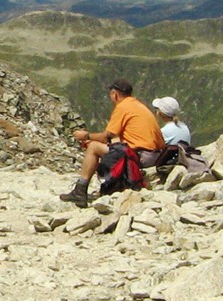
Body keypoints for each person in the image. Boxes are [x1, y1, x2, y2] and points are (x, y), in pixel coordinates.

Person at [62, 77, 164, 206]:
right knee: (105, 146)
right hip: (155, 155)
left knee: (93, 147)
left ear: (115, 94)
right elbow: (117, 139)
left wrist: (86, 136)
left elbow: (106, 136)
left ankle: (80, 190)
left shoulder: (123, 107)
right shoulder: (138, 105)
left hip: (140, 156)